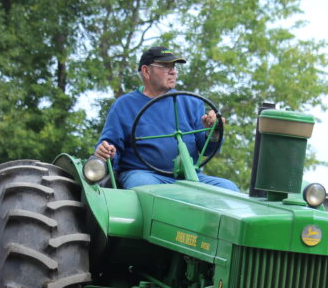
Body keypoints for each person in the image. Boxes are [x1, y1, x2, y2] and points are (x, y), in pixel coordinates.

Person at [93, 46, 238, 191]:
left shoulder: (191, 103)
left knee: (228, 188)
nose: (173, 71)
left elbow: (207, 148)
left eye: (174, 67)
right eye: (164, 66)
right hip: (145, 174)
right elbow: (110, 147)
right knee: (144, 187)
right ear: (146, 71)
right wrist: (107, 152)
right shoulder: (124, 105)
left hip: (189, 176)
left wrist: (214, 132)